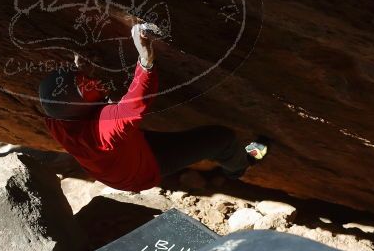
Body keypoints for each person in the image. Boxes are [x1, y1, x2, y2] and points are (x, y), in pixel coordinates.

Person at [39, 22, 268, 192]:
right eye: (88, 86)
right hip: (140, 172)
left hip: (123, 156)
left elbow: (68, 98)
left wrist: (80, 72)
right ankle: (240, 168)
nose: (95, 82)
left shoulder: (58, 117)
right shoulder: (105, 130)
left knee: (127, 126)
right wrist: (145, 58)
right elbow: (134, 105)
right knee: (222, 138)